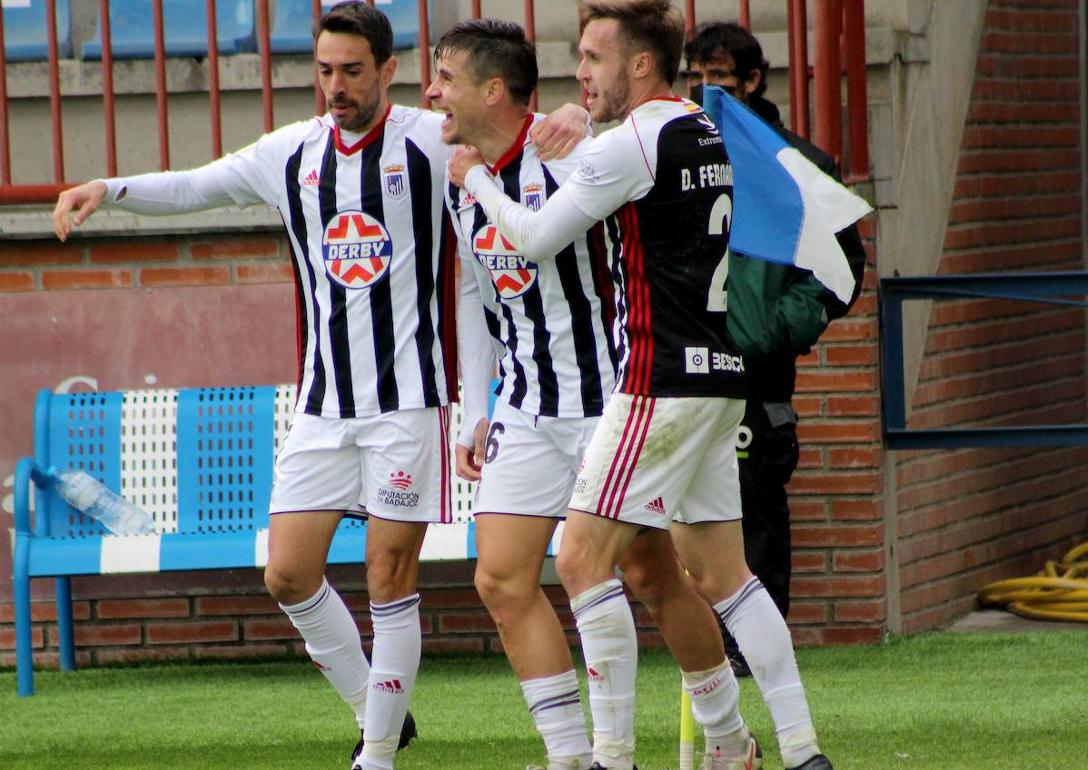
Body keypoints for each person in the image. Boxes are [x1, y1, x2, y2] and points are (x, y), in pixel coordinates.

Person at [51, 6, 587, 769]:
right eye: (325, 71)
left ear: (387, 70)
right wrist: (109, 188)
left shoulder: (432, 140)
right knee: (288, 574)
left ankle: (376, 755)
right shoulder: (293, 153)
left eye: (352, 71)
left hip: (410, 404)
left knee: (387, 575)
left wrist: (573, 114)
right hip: (322, 407)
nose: (336, 86)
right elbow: (199, 185)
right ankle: (379, 709)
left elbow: (517, 132)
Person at [448, 1, 833, 768]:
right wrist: (580, 122)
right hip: (722, 377)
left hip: (657, 379)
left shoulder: (631, 143)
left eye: (594, 59)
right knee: (725, 575)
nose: (581, 74)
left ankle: (611, 756)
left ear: (641, 64)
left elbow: (534, 236)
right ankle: (799, 749)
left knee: (581, 562)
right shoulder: (705, 126)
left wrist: (479, 182)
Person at [683, 22, 867, 679]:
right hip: (685, 373)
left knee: (754, 515)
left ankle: (757, 662)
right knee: (686, 523)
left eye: (719, 80)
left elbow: (840, 274)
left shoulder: (796, 163)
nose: (706, 93)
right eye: (695, 80)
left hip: (758, 383)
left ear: (753, 81)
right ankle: (705, 657)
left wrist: (771, 332)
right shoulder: (678, 156)